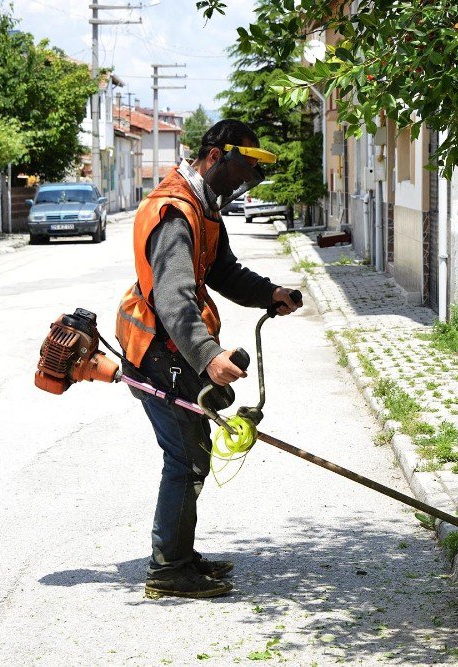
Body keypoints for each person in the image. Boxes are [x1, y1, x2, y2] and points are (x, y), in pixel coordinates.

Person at [116, 120, 301, 599]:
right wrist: (209, 356)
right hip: (159, 351)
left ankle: (180, 555)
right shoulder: (175, 212)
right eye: (238, 172)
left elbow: (223, 271)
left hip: (173, 349)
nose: (241, 184)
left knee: (192, 455)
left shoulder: (204, 207)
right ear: (215, 156)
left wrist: (269, 294)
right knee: (184, 459)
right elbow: (174, 299)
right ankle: (168, 570)